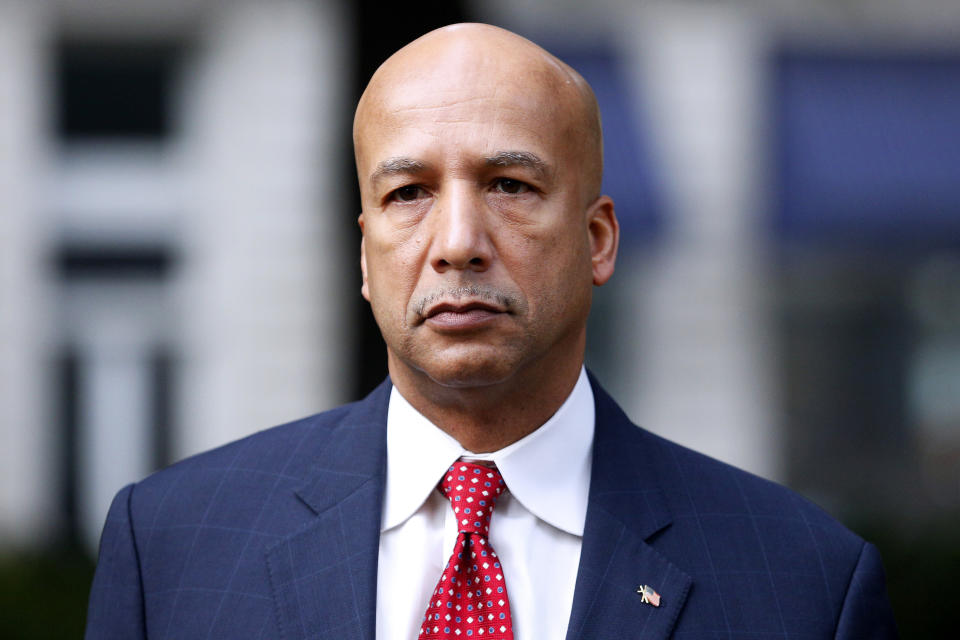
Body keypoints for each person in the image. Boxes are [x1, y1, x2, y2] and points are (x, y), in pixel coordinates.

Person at [86, 23, 898, 639]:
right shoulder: (170, 551)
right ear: (364, 253)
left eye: (509, 184)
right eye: (408, 194)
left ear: (598, 241)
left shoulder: (805, 585)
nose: (457, 242)